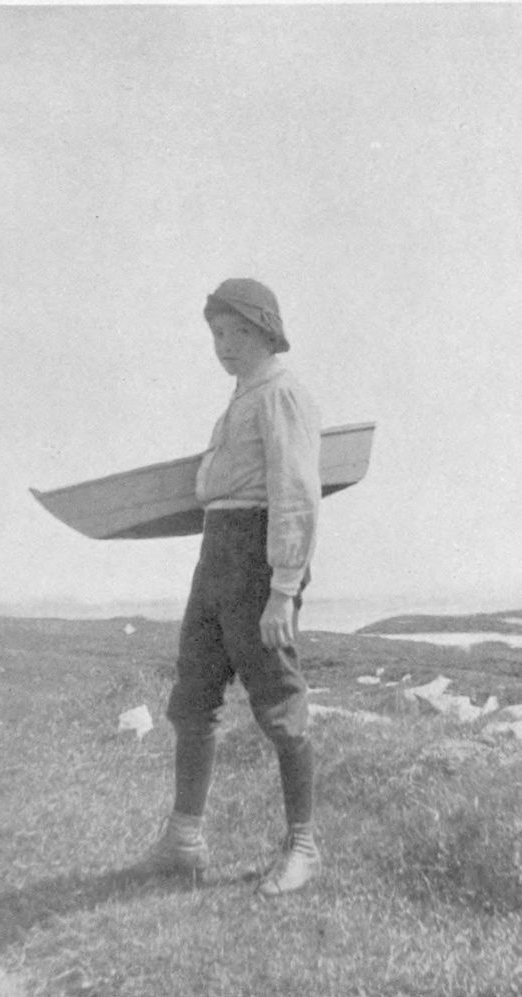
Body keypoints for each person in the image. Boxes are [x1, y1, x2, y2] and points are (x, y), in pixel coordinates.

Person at [136, 278, 322, 895]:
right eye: (217, 334)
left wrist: (283, 589)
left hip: (257, 558)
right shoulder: (240, 398)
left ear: (267, 331)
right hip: (216, 554)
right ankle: (184, 840)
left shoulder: (281, 394)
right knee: (193, 698)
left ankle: (303, 847)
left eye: (238, 332)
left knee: (279, 705)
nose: (224, 345)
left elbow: (297, 496)